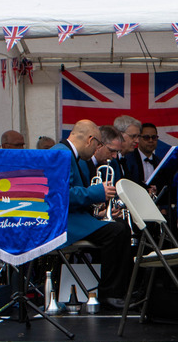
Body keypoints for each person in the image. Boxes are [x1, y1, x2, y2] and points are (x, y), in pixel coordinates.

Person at [50, 120, 134, 310]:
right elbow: (60, 194)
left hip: (74, 218)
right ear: (90, 140)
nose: (97, 149)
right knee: (117, 232)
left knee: (119, 227)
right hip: (65, 223)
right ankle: (110, 294)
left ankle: (115, 291)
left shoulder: (68, 154)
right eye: (97, 144)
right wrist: (96, 193)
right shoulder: (61, 153)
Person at [125, 122, 169, 187]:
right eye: (146, 137)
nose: (150, 140)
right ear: (138, 138)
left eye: (154, 137)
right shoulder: (128, 159)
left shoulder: (160, 163)